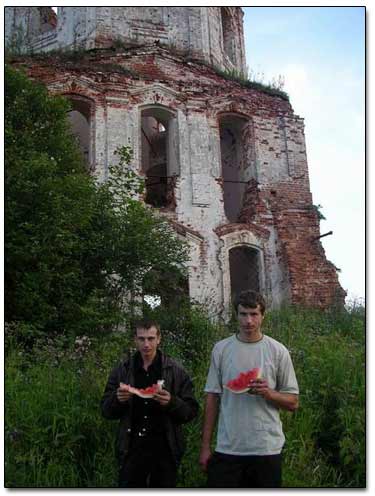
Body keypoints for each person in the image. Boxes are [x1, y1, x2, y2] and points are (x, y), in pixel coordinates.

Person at [199, 290, 299, 488]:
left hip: (266, 449)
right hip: (228, 448)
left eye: (254, 314)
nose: (248, 321)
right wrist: (205, 447)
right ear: (236, 315)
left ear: (263, 315)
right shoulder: (221, 349)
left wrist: (268, 393)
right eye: (243, 314)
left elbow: (293, 403)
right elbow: (212, 398)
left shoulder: (278, 351)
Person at [101, 319, 199, 488]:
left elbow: (191, 412)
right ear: (135, 340)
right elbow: (105, 411)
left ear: (159, 339)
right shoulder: (122, 370)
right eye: (142, 339)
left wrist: (172, 402)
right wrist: (117, 400)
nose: (146, 344)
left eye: (151, 339)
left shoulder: (176, 370)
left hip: (165, 448)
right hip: (132, 448)